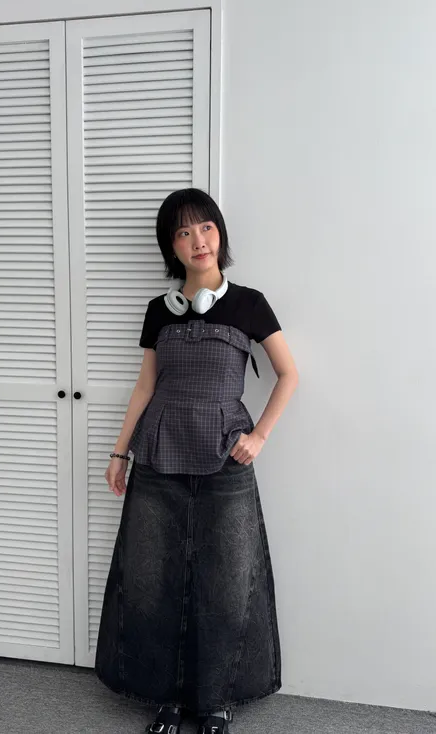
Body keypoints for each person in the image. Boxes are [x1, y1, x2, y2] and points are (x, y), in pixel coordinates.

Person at [95, 188, 298, 734]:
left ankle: (215, 702)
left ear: (219, 233)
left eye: (205, 227)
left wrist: (259, 436)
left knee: (227, 581)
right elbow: (145, 386)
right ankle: (166, 698)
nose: (197, 240)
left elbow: (289, 374)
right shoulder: (159, 311)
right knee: (152, 577)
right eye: (183, 232)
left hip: (225, 457)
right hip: (159, 454)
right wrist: (119, 451)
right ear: (172, 246)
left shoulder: (249, 303)